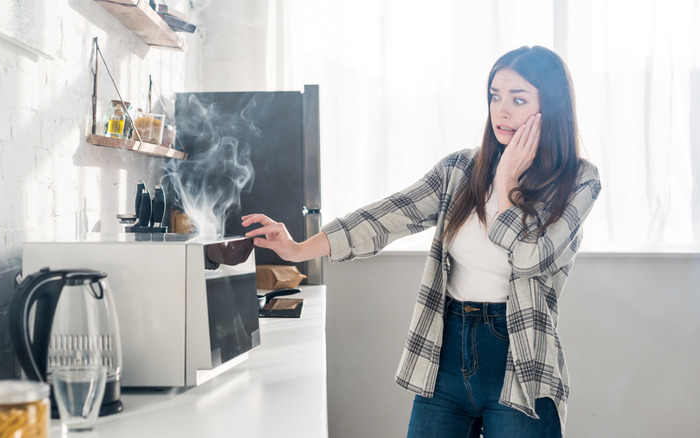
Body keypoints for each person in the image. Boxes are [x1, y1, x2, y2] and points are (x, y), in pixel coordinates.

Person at [242, 45, 601, 438]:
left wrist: (507, 184)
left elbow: (531, 258)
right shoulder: (461, 169)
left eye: (518, 99)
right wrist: (298, 249)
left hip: (520, 363)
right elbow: (388, 215)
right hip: (447, 348)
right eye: (495, 96)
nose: (501, 111)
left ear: (551, 107)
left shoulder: (578, 180)